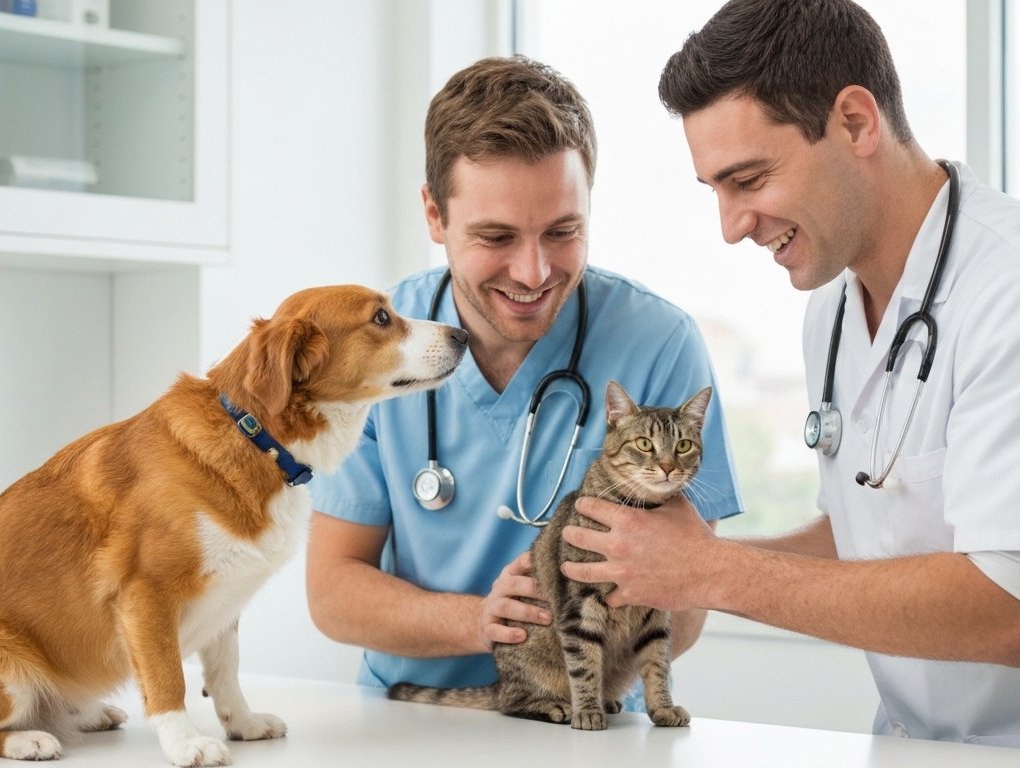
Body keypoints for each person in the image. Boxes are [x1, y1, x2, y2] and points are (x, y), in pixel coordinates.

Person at [559, 1, 1020, 765]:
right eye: (714, 188)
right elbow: (868, 533)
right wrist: (655, 561)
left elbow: (1007, 615)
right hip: (917, 749)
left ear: (854, 122)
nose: (731, 225)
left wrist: (708, 569)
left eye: (747, 179)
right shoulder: (832, 314)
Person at [305, 55, 743, 707]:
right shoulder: (371, 349)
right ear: (434, 215)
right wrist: (482, 622)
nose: (534, 272)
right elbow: (333, 593)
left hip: (579, 718)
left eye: (563, 231)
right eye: (496, 236)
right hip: (409, 715)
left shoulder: (657, 344)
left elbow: (687, 605)